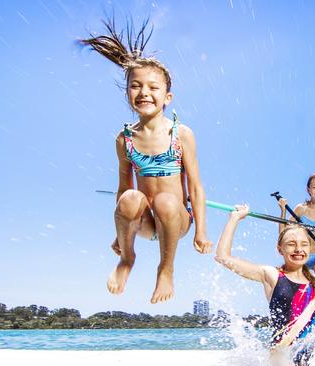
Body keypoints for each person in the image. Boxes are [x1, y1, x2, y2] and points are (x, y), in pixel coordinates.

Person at [80, 18, 212, 304]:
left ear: (168, 97)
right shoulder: (124, 139)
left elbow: (197, 188)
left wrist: (201, 230)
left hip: (175, 220)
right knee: (129, 197)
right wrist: (120, 235)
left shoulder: (182, 134)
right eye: (136, 86)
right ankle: (127, 260)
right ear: (127, 93)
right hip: (145, 225)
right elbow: (122, 191)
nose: (144, 92)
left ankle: (166, 269)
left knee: (165, 200)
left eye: (153, 87)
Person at [215, 204, 315, 365]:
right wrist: (234, 219)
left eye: (304, 244)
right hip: (280, 359)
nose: (298, 249)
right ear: (280, 249)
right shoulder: (272, 275)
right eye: (291, 244)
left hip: (307, 360)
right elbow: (223, 257)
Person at [277, 173, 315, 303]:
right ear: (308, 189)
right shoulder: (301, 209)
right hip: (299, 257)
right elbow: (283, 234)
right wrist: (283, 210)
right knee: (293, 296)